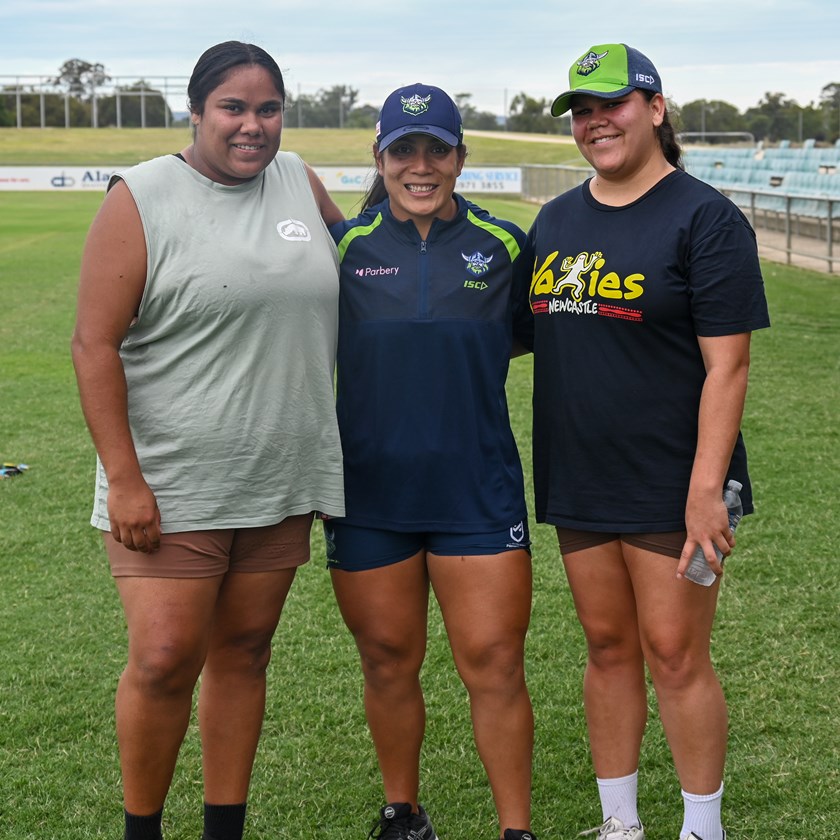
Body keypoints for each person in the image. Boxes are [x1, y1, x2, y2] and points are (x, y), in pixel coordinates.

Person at [70, 41, 345, 840]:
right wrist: (124, 478)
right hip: (171, 482)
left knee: (246, 653)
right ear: (195, 112)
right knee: (163, 659)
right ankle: (143, 831)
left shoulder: (298, 181)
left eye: (268, 109)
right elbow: (93, 345)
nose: (253, 125)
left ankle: (225, 829)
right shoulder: (142, 196)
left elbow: (372, 265)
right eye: (233, 107)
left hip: (279, 475)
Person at [518, 44, 770, 840]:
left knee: (675, 652)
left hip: (674, 480)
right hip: (580, 473)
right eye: (582, 111)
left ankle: (702, 829)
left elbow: (728, 367)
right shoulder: (557, 220)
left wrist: (706, 490)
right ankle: (619, 823)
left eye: (613, 104)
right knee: (607, 646)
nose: (596, 122)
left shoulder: (704, 218)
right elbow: (519, 331)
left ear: (656, 109)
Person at [324, 83, 538, 840]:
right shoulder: (343, 248)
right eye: (404, 150)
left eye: (436, 150)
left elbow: (527, 334)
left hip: (476, 490)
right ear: (379, 159)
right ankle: (402, 814)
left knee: (495, 662)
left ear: (460, 158)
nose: (421, 165)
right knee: (388, 659)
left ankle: (516, 829)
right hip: (369, 493)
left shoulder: (506, 245)